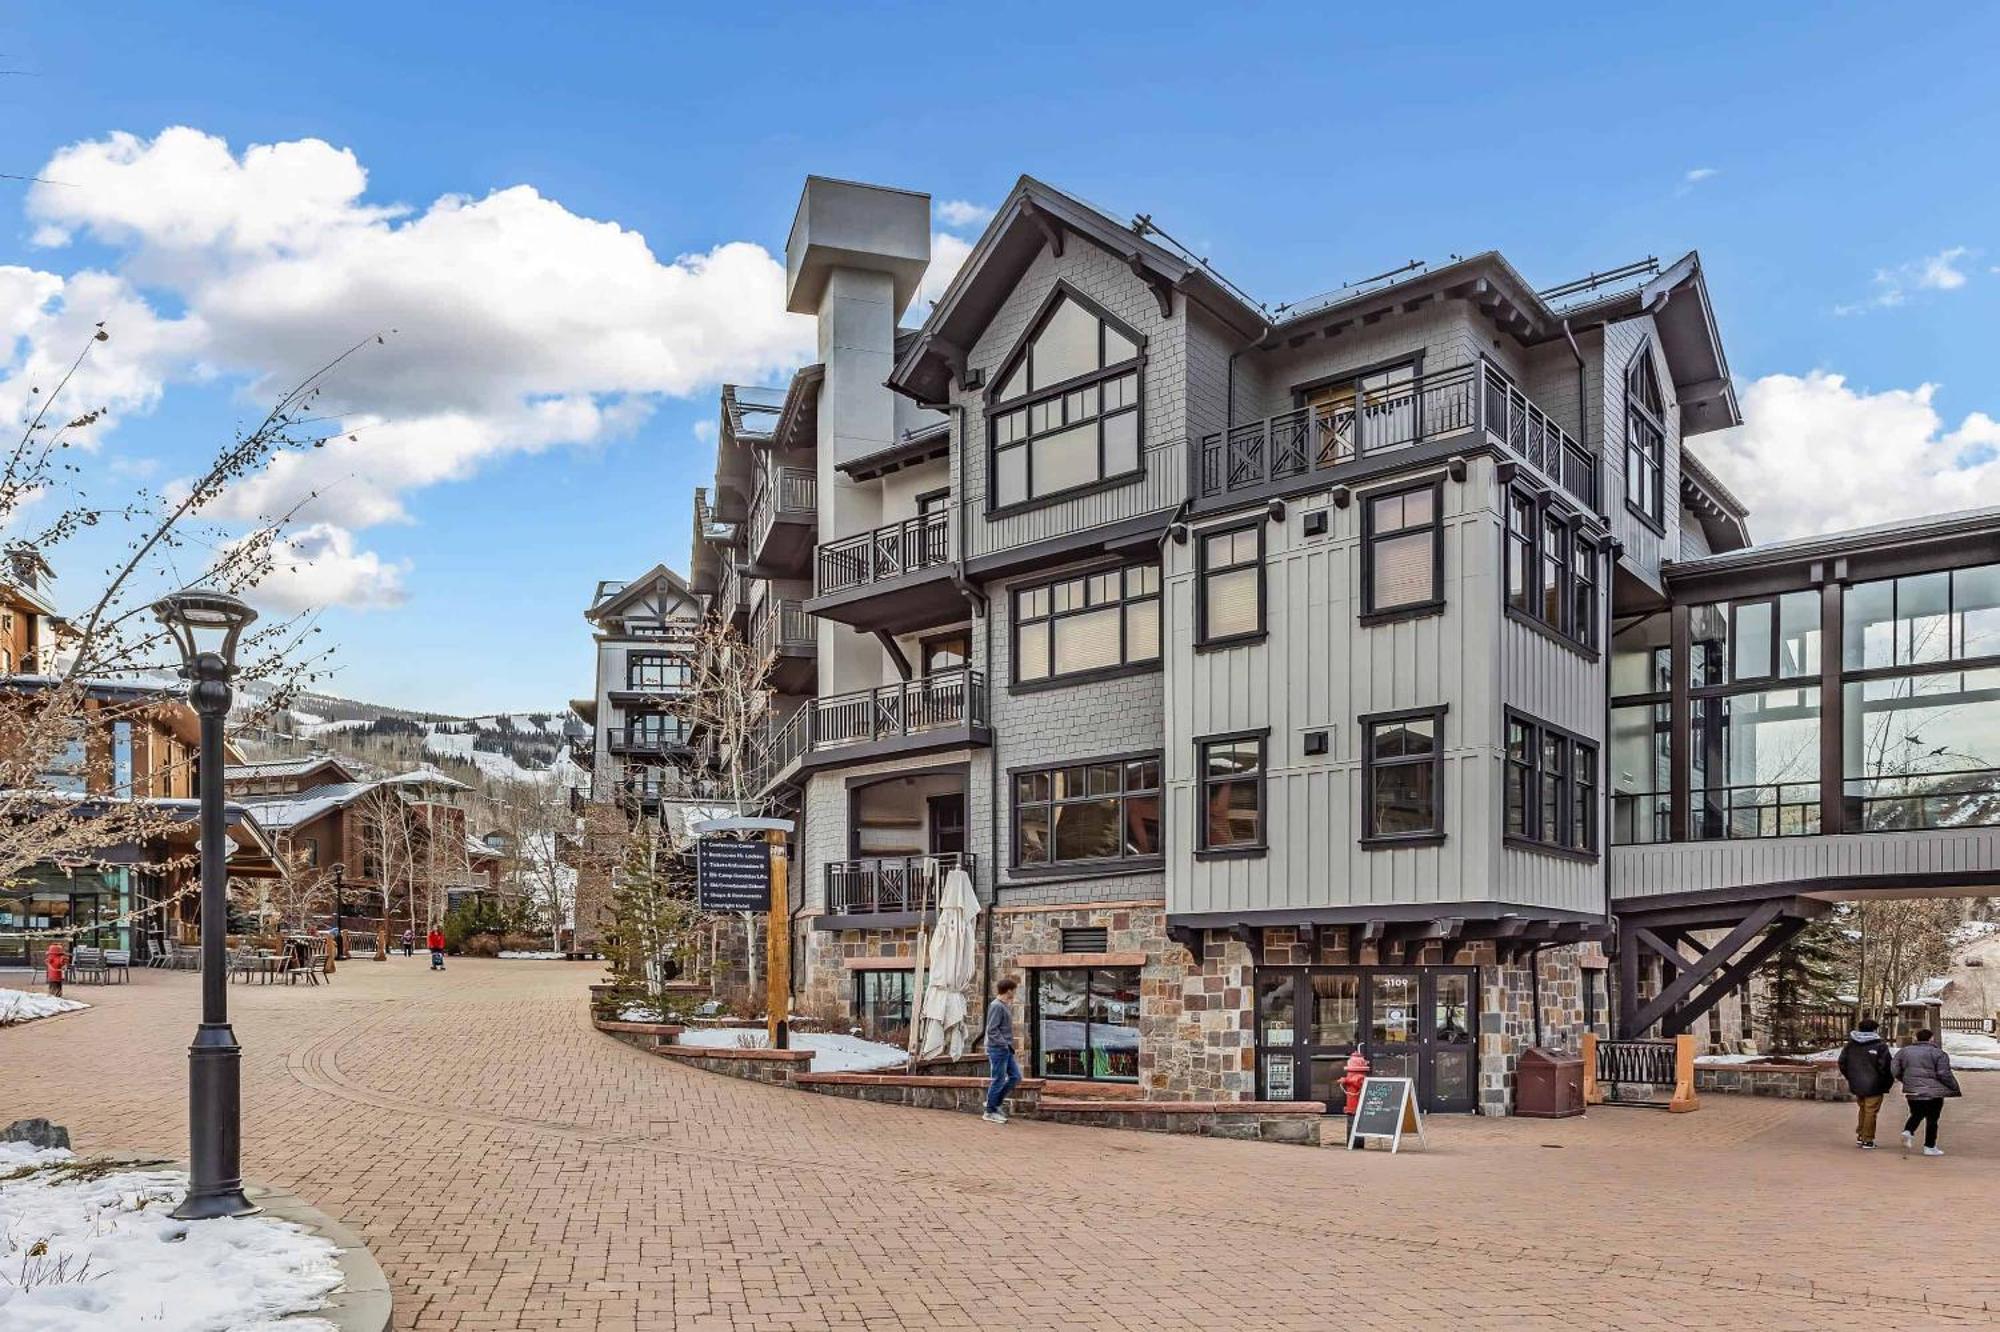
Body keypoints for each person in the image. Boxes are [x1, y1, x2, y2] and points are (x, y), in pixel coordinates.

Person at [1892, 1027, 1961, 1156]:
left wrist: (1906, 1080)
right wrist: (1953, 1086)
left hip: (1912, 1090)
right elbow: (1943, 1073)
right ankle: (1930, 1146)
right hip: (1934, 1091)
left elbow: (1895, 1069)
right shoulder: (1938, 1053)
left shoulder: (1904, 1052)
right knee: (1932, 1118)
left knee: (1917, 1113)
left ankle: (1908, 1130)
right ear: (1931, 1038)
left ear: (1916, 1038)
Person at [1837, 1018, 1895, 1148]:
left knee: (1863, 1108)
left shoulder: (1851, 1045)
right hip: (1874, 1084)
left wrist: (1851, 1076)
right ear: (1875, 1029)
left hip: (1857, 1083)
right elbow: (1886, 1067)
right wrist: (1886, 1082)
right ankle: (1867, 1139)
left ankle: (1861, 1135)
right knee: (1871, 1110)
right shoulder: (1880, 1046)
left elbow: (1842, 1062)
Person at [981, 976, 1021, 1124]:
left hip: (1006, 1049)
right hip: (998, 1049)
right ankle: (990, 1111)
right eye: (1014, 990)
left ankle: (994, 1103)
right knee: (998, 1079)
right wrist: (1003, 1044)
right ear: (1008, 991)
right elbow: (991, 1030)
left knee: (1016, 1077)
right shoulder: (996, 1006)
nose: (1015, 993)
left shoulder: (1004, 1005)